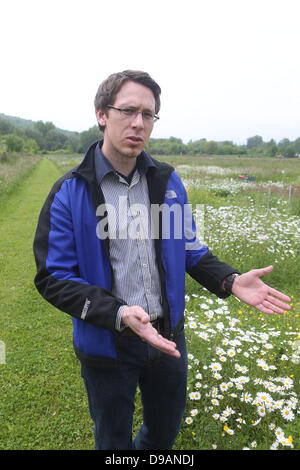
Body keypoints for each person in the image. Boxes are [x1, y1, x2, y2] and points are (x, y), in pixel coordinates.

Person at [33, 70, 291, 450]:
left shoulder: (167, 182)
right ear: (102, 114)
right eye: (128, 111)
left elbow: (187, 248)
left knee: (163, 434)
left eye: (149, 114)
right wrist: (119, 314)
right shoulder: (71, 191)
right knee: (112, 439)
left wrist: (230, 279)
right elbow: (53, 277)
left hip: (168, 337)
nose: (139, 123)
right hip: (108, 342)